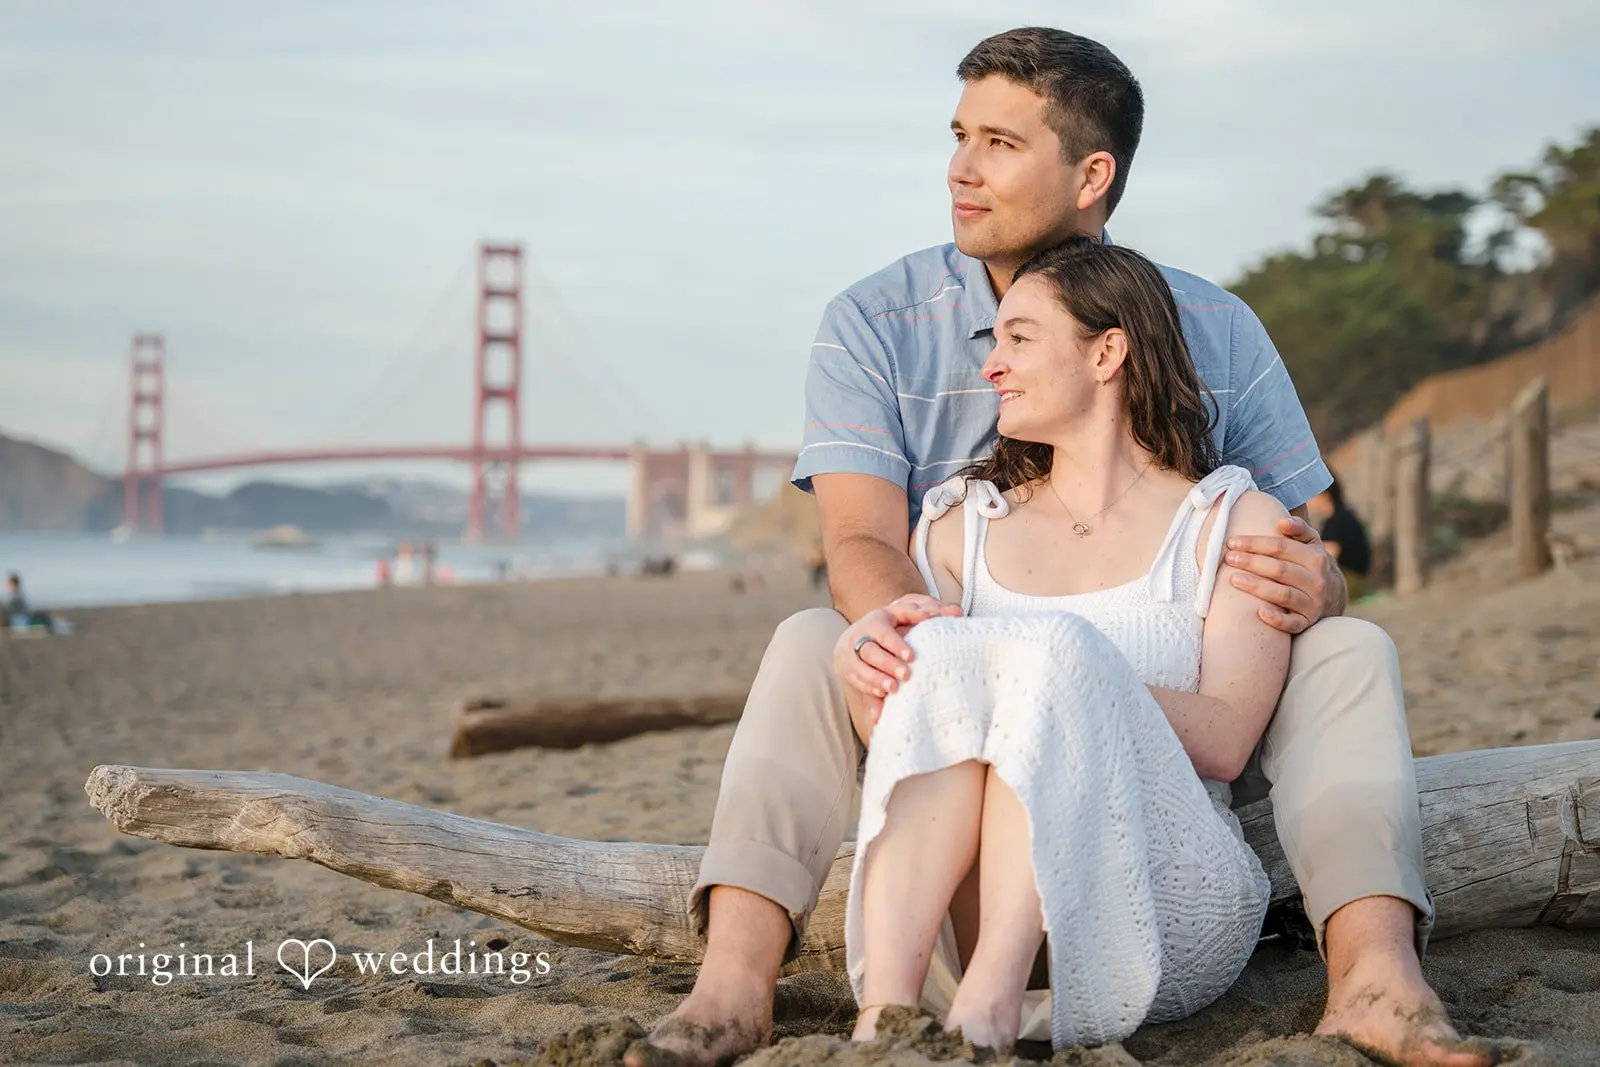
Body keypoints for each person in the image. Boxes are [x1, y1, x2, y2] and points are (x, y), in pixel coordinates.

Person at [626, 27, 1485, 1067]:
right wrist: (940, 648)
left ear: (1090, 176)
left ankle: (1376, 975)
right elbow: (859, 535)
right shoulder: (875, 323)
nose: (960, 167)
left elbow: (1306, 544)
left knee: (1349, 648)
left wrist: (1322, 584)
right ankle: (732, 984)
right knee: (815, 634)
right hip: (947, 728)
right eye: (958, 136)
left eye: (998, 143)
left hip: (1181, 745)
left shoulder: (1213, 327)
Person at [841, 236, 1286, 1050]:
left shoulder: (1231, 522)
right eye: (995, 340)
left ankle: (989, 1014)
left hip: (1162, 898)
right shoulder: (959, 524)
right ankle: (886, 1017)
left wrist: (1064, 681)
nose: (992, 365)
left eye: (1020, 338)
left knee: (1049, 655)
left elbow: (1227, 739)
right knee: (939, 651)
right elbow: (917, 733)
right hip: (966, 910)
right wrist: (867, 667)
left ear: (1107, 353)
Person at [1309, 477, 1372, 599]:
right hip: (1356, 579)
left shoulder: (1336, 521)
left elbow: (1327, 557)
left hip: (1350, 581)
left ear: (1323, 494)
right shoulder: (1342, 516)